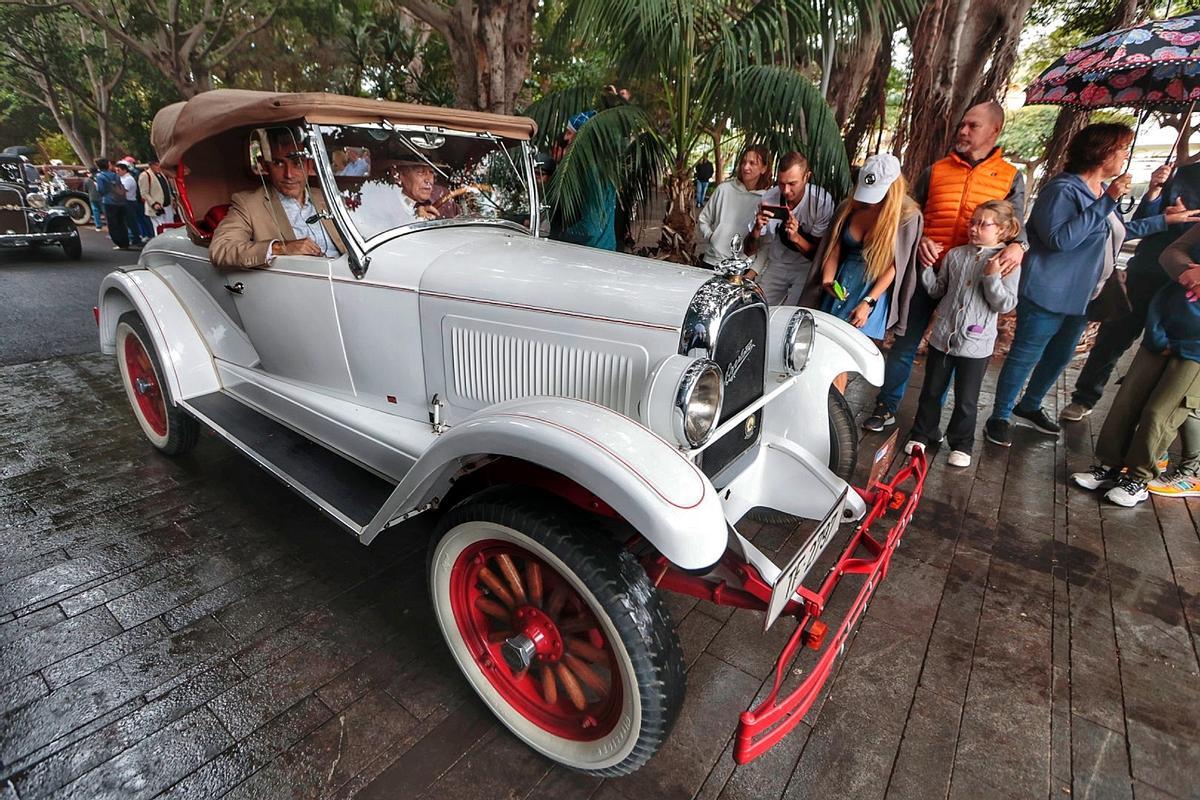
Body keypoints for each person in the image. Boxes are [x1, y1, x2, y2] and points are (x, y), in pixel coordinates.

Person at [983, 122, 1199, 447]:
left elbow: (1118, 231)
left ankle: (1030, 404)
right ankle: (998, 416)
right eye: (1122, 149)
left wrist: (1164, 220)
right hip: (1049, 291)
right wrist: (1108, 199)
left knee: (1060, 356)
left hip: (1085, 294)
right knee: (1026, 354)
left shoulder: (1099, 192)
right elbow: (1060, 239)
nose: (1126, 155)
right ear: (1103, 152)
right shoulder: (1063, 189)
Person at [863, 101, 1028, 432]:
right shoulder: (936, 170)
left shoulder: (1011, 177)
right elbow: (910, 211)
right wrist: (920, 237)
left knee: (955, 352)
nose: (962, 131)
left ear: (995, 130)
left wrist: (1020, 247)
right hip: (927, 269)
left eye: (972, 126)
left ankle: (929, 425)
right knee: (904, 343)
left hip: (975, 279)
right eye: (962, 124)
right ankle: (886, 406)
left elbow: (1016, 226)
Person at [1061, 160, 1200, 422]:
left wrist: (1182, 218)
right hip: (1148, 270)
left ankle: (1151, 418)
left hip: (1187, 287)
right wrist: (1154, 192)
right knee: (1114, 336)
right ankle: (1084, 397)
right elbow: (1140, 222)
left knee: (1172, 353)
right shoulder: (1182, 172)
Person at [906, 201, 1021, 468]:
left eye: (984, 224)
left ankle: (961, 443)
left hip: (976, 344)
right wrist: (927, 267)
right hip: (943, 337)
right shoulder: (956, 255)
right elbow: (937, 290)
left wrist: (992, 277)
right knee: (932, 390)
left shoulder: (1006, 261)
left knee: (967, 398)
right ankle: (923, 432)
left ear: (1002, 230)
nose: (975, 228)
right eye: (973, 222)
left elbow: (1005, 304)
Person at [1070, 273, 1200, 507]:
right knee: (1127, 401)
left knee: (1160, 413)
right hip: (1164, 331)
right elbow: (1169, 268)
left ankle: (1137, 479)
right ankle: (1109, 466)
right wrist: (1157, 334)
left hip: (1195, 352)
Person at [806, 153, 922, 341]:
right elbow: (834, 247)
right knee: (823, 343)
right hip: (840, 284)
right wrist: (828, 280)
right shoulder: (849, 207)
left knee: (854, 351)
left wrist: (868, 302)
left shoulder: (907, 217)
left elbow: (896, 265)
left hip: (873, 288)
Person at [211, 129, 344, 271]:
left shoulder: (328, 197)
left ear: (309, 165)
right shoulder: (249, 203)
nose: (289, 174)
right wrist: (281, 248)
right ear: (265, 165)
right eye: (278, 163)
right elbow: (221, 248)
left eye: (297, 163)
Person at [744, 151, 835, 304]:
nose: (786, 191)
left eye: (792, 184)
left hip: (806, 268)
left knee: (793, 315)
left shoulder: (821, 202)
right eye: (781, 183)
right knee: (758, 306)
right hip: (777, 263)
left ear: (806, 177)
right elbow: (748, 250)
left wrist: (796, 238)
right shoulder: (769, 198)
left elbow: (819, 255)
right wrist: (757, 230)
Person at [696, 145, 771, 269]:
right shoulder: (723, 190)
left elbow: (766, 243)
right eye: (744, 162)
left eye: (752, 163)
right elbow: (704, 219)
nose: (746, 167)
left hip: (743, 267)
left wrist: (753, 271)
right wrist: (712, 237)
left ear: (764, 168)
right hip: (713, 261)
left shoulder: (766, 199)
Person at [551, 110, 617, 251]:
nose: (566, 138)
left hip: (592, 253)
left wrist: (558, 236)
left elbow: (590, 228)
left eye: (570, 133)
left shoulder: (592, 173)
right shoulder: (599, 168)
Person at [94, 158, 130, 250]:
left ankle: (119, 242)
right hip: (120, 201)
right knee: (122, 222)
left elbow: (101, 190)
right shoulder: (115, 175)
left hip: (109, 201)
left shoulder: (100, 176)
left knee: (113, 223)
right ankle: (126, 241)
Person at [113, 161, 144, 248]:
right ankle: (133, 237)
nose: (117, 172)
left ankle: (136, 238)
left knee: (131, 221)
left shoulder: (128, 179)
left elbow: (123, 191)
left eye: (118, 170)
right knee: (128, 222)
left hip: (129, 201)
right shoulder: (121, 178)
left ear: (124, 170)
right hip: (124, 202)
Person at [137, 158, 174, 226]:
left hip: (167, 206)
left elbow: (167, 188)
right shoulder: (145, 175)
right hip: (156, 208)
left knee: (171, 227)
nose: (159, 167)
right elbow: (144, 193)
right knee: (161, 229)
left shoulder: (161, 174)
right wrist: (153, 203)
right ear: (151, 165)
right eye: (156, 165)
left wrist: (172, 199)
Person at [84, 167, 104, 232]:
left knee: (95, 212)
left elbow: (85, 190)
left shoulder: (86, 180)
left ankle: (98, 226)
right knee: (105, 211)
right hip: (102, 197)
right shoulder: (100, 177)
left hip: (92, 197)